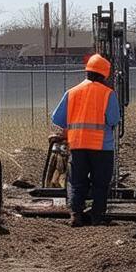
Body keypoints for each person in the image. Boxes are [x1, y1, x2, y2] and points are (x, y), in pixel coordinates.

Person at [50, 53, 122, 226]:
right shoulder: (108, 94)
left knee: (77, 181)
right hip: (102, 147)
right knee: (100, 182)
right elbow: (113, 120)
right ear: (105, 74)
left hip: (78, 146)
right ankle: (97, 217)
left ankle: (76, 215)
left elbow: (57, 118)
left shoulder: (72, 92)